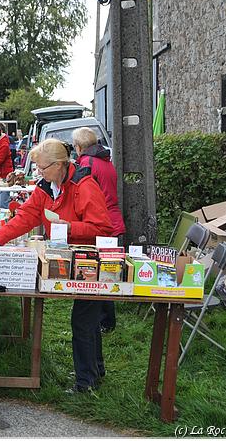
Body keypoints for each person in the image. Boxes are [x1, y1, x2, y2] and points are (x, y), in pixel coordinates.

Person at [0, 138, 112, 394]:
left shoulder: (84, 186)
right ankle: (94, 371)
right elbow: (26, 216)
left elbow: (103, 228)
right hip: (73, 260)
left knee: (83, 321)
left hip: (89, 262)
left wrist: (67, 227)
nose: (38, 173)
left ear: (59, 165)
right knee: (86, 320)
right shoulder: (47, 186)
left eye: (42, 168)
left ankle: (85, 383)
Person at [72, 127, 126, 334]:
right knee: (108, 270)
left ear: (78, 147)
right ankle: (107, 320)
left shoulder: (87, 164)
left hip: (103, 224)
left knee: (102, 273)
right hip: (113, 220)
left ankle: (104, 321)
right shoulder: (105, 160)